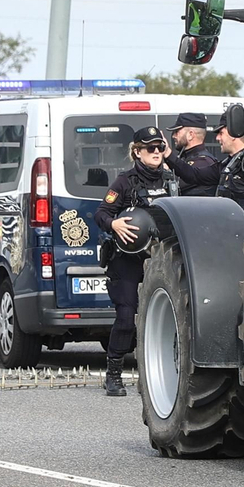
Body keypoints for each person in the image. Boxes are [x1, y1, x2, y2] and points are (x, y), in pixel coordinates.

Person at [93, 126, 177, 397]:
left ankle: (156, 373)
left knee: (163, 319)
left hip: (161, 259)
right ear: (137, 151)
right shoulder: (125, 181)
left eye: (159, 147)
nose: (156, 152)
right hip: (127, 261)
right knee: (127, 317)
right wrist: (113, 223)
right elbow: (101, 212)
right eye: (149, 148)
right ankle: (114, 373)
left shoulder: (171, 179)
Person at [211, 112, 244, 214]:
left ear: (233, 134)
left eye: (221, 133)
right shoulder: (227, 165)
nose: (217, 138)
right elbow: (195, 174)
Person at [164, 111, 220, 196]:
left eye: (177, 131)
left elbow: (183, 179)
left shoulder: (204, 162)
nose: (173, 136)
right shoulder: (186, 157)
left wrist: (168, 155)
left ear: (190, 135)